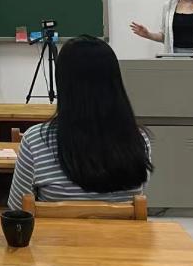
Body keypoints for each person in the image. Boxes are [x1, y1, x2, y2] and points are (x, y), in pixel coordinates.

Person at [8, 36, 151, 211]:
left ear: (63, 83)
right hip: (121, 230)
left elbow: (18, 211)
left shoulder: (36, 141)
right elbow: (139, 200)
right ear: (115, 83)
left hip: (56, 230)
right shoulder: (138, 139)